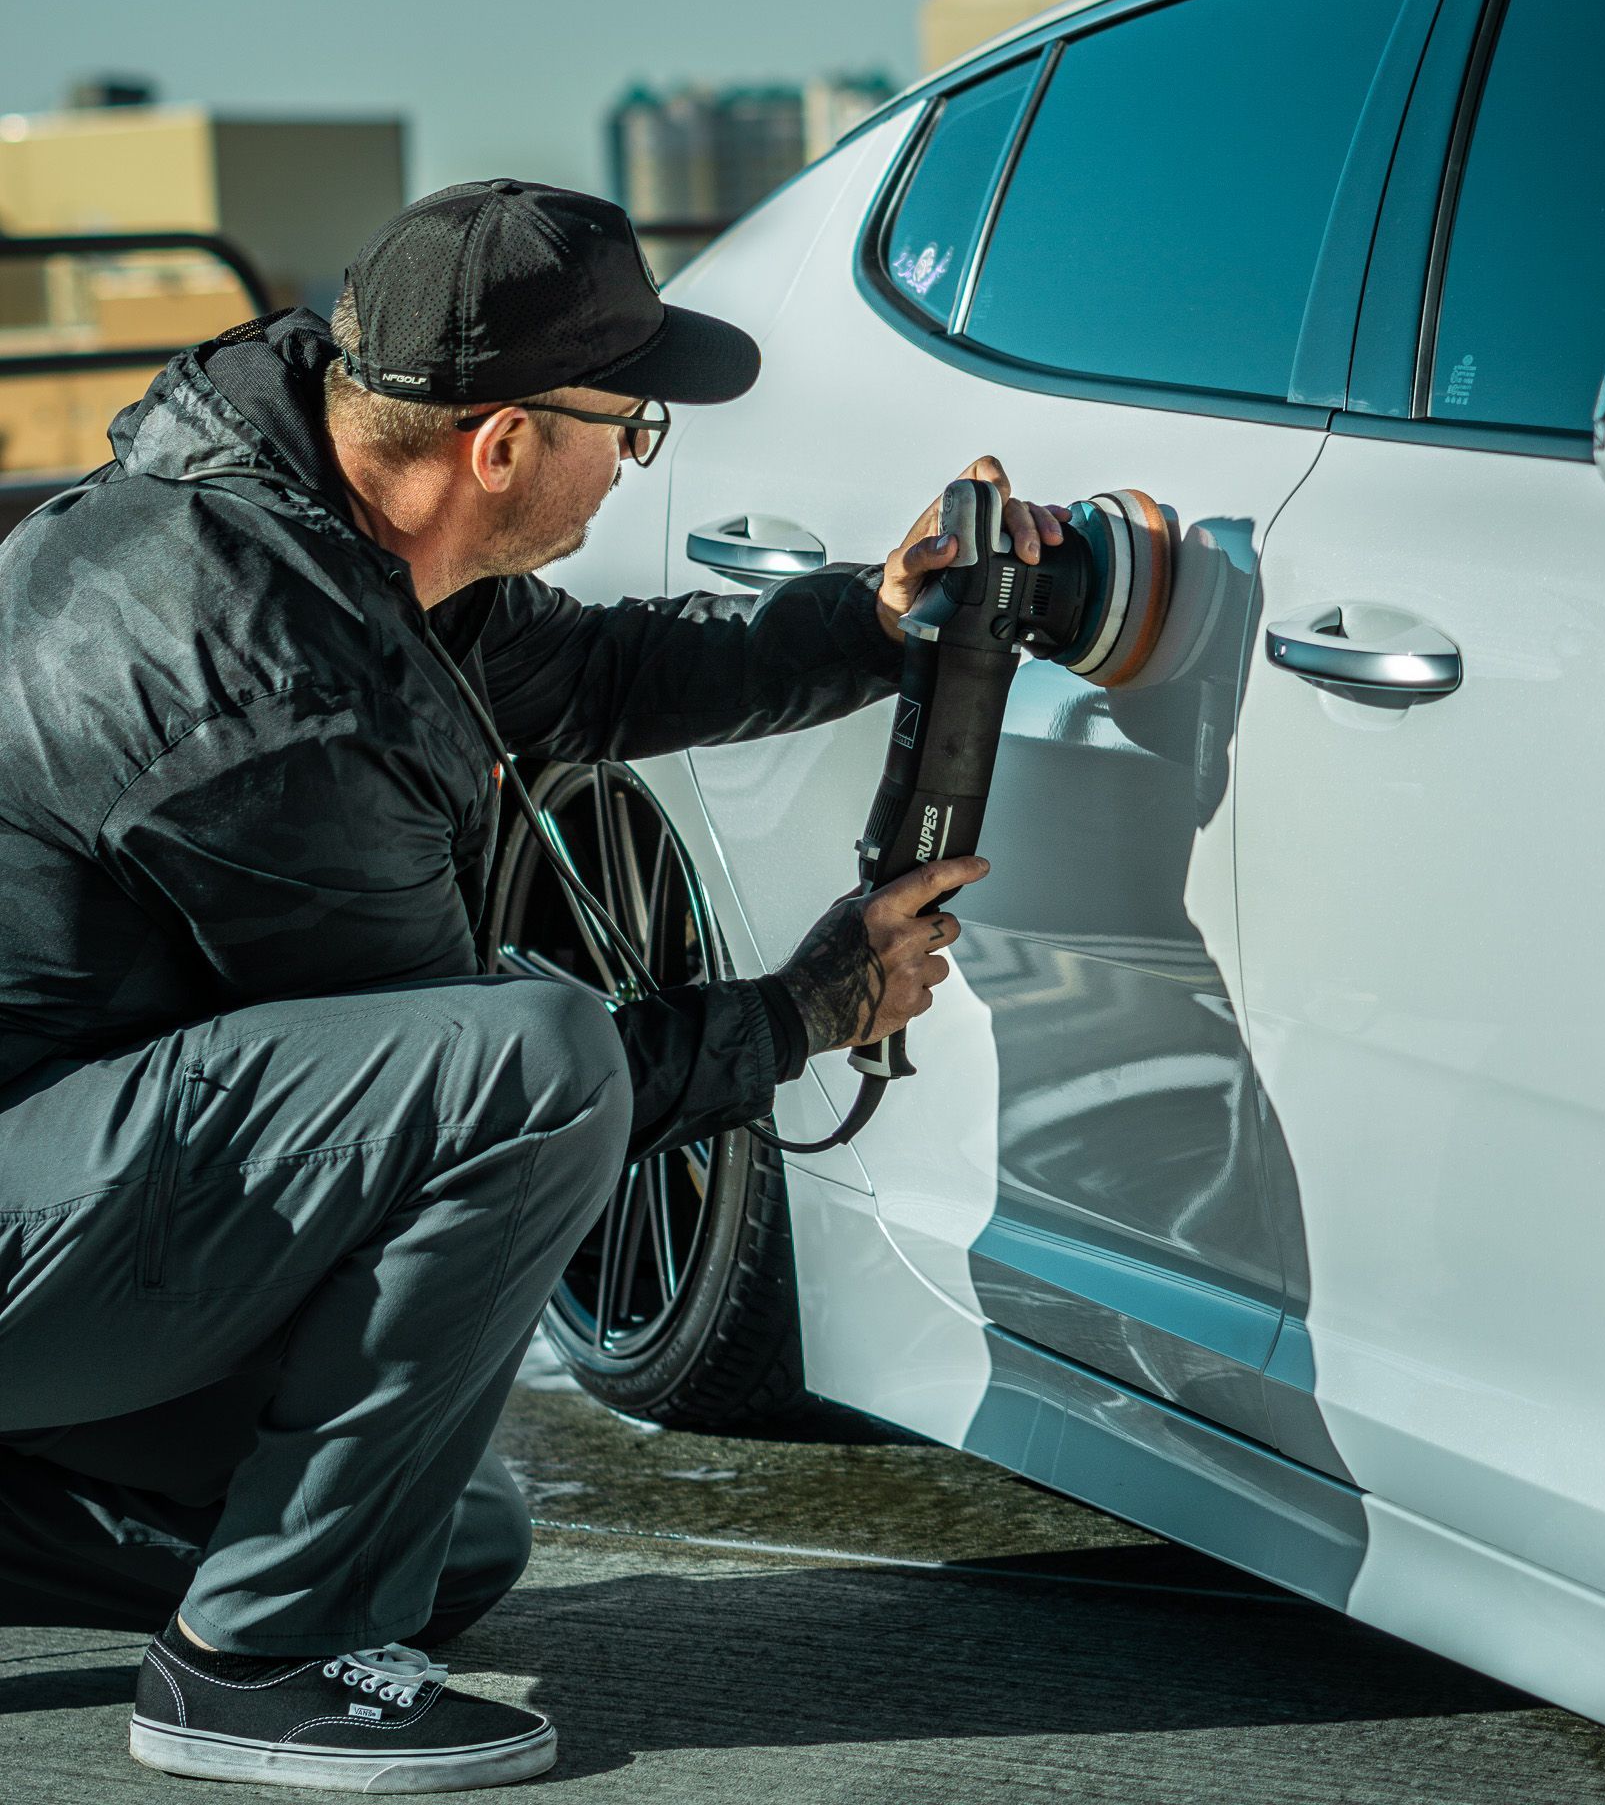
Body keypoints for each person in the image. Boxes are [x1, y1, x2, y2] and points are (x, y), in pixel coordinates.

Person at [0, 180, 1066, 1791]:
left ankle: (275, 1606)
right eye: (628, 427)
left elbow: (590, 677)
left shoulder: (309, 515)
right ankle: (249, 1670)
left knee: (446, 1545)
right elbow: (470, 1106)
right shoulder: (263, 684)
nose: (634, 456)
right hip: (25, 1213)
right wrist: (804, 1013)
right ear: (499, 442)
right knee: (531, 1053)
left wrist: (870, 616)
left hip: (49, 1167)